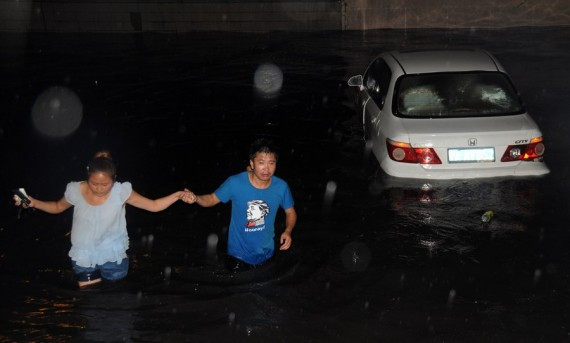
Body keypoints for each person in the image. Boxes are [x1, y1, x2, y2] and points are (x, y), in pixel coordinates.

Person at [14, 150, 193, 288]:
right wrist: (33, 202)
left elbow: (153, 205)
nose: (99, 188)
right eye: (94, 183)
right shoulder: (75, 190)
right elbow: (56, 207)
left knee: (113, 297)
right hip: (83, 255)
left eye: (105, 184)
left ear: (114, 179)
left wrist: (177, 195)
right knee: (89, 299)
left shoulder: (122, 191)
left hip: (113, 255)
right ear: (88, 176)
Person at [185, 138, 297, 270]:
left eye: (271, 163)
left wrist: (288, 231)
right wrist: (195, 198)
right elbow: (211, 199)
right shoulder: (235, 183)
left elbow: (290, 212)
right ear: (252, 163)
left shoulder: (281, 187)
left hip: (267, 253)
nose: (266, 168)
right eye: (261, 162)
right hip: (238, 256)